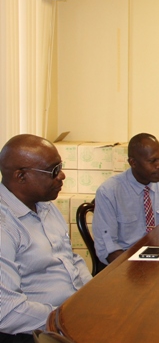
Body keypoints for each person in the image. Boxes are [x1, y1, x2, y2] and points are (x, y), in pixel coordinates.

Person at [0, 134, 92, 341]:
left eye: (61, 167)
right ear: (20, 176)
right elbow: (7, 312)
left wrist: (93, 294)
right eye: (54, 171)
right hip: (40, 331)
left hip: (74, 312)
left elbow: (70, 259)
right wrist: (67, 317)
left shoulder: (46, 206)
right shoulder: (4, 227)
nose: (62, 176)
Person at [93, 133, 159, 264]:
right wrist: (136, 269)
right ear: (133, 163)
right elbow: (108, 248)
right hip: (128, 264)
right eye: (152, 161)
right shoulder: (109, 192)